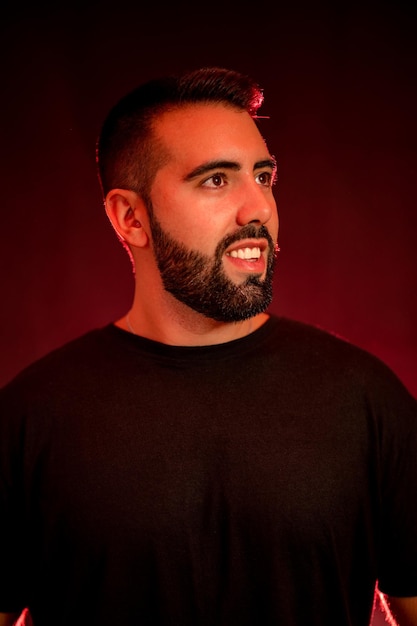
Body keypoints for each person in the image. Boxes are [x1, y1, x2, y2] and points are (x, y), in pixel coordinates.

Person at [0, 67, 416, 626]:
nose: (258, 210)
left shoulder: (368, 401)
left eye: (263, 177)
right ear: (131, 217)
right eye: (216, 180)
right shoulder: (29, 420)